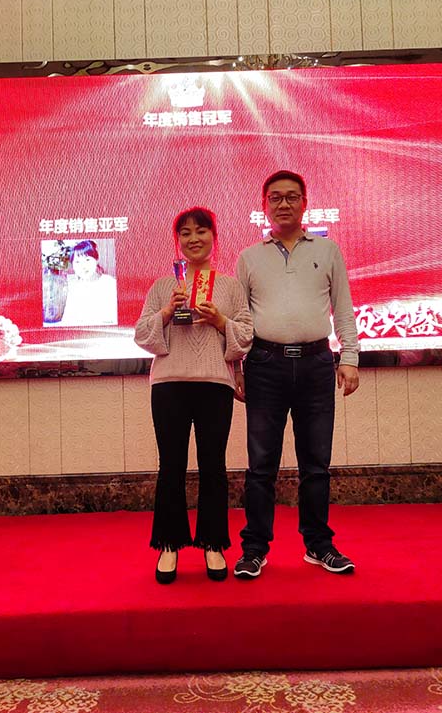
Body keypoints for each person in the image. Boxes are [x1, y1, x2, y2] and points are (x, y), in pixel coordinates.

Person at [233, 170, 360, 579]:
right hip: (264, 365)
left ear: (305, 203)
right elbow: (240, 321)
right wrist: (235, 366)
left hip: (316, 364)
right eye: (275, 197)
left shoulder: (328, 250)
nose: (283, 204)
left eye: (291, 197)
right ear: (264, 205)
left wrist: (350, 357)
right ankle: (254, 549)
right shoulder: (249, 258)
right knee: (261, 465)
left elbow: (343, 308)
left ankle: (319, 545)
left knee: (316, 463)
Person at [135, 207, 253, 583]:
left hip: (215, 384)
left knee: (213, 466)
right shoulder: (163, 286)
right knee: (170, 465)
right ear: (178, 242)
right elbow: (142, 334)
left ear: (213, 237)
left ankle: (213, 543)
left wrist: (220, 320)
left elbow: (246, 335)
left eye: (201, 231)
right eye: (185, 233)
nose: (193, 239)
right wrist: (167, 312)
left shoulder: (230, 286)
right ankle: (168, 544)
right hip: (169, 384)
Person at [56, 240, 118, 326]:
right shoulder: (71, 287)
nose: (83, 266)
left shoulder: (110, 284)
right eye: (77, 262)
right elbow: (67, 320)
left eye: (87, 260)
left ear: (96, 260)